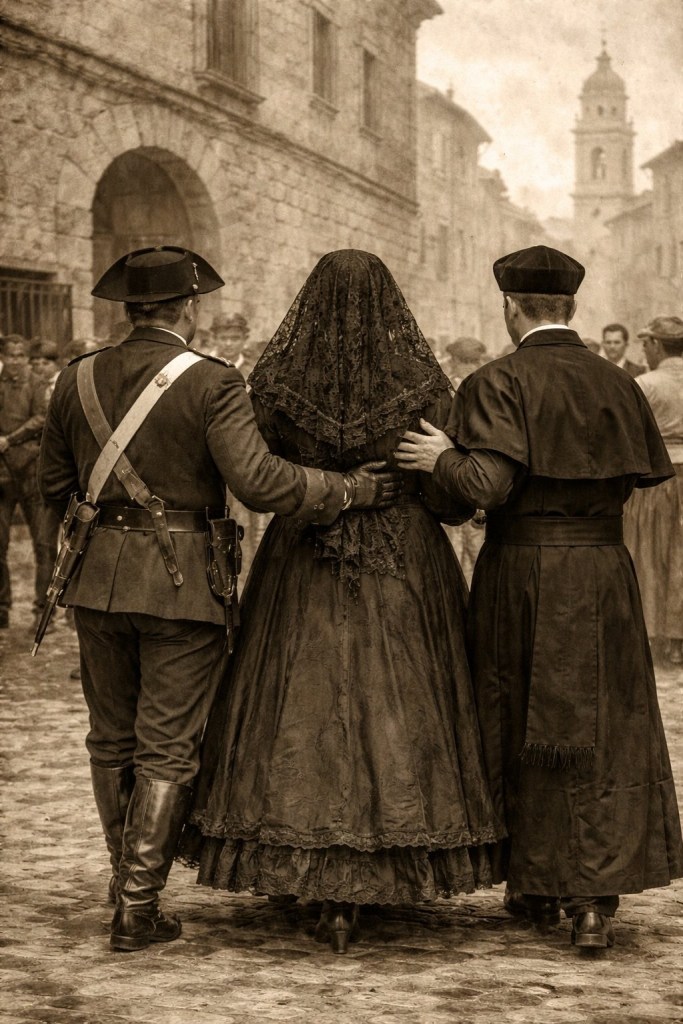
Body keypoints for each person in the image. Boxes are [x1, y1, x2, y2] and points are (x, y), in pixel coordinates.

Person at [37, 245, 399, 953]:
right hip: (181, 585)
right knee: (167, 745)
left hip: (94, 582)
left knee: (110, 739)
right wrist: (349, 489)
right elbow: (260, 483)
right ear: (190, 308)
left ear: (129, 309)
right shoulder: (211, 380)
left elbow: (53, 486)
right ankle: (136, 909)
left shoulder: (75, 377)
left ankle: (123, 882)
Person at [180, 249, 505, 954]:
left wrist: (323, 485)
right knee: (403, 697)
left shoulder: (274, 389)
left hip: (303, 554)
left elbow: (255, 478)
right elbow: (451, 503)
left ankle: (305, 872)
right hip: (404, 562)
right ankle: (391, 861)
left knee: (301, 693)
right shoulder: (422, 388)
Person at [396, 245, 683, 950]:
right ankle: (593, 900)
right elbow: (640, 474)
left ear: (510, 307)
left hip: (521, 570)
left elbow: (485, 487)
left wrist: (440, 459)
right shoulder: (619, 381)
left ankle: (534, 882)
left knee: (518, 718)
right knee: (603, 724)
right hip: (603, 571)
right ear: (571, 307)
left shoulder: (496, 380)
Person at [624, 316, 683, 666]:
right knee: (679, 555)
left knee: (647, 551)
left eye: (646, 343)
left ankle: (650, 634)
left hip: (657, 477)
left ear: (658, 345)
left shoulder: (645, 384)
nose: (644, 350)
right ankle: (677, 641)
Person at [0, 334, 55, 630]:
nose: (16, 361)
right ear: (3, 357)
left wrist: (10, 439)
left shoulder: (37, 384)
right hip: (3, 474)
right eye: (11, 355)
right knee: (0, 543)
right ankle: (2, 608)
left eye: (21, 356)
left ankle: (42, 611)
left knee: (43, 544)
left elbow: (41, 419)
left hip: (31, 471)